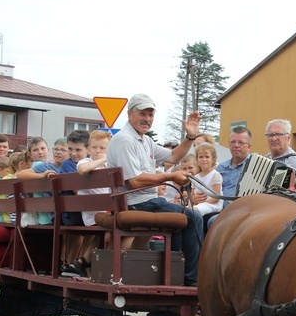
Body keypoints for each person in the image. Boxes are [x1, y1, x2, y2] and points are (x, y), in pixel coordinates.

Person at [107, 93, 203, 287]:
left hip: (145, 201)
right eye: (143, 113)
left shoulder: (144, 140)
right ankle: (190, 280)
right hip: (136, 203)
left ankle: (178, 275)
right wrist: (170, 176)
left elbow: (174, 156)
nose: (147, 119)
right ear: (130, 114)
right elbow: (134, 181)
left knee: (182, 219)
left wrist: (190, 136)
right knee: (195, 218)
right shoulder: (126, 140)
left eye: (151, 115)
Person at [60, 130, 113, 278]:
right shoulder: (86, 162)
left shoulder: (108, 164)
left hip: (102, 210)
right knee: (110, 227)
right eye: (94, 147)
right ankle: (82, 263)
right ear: (88, 149)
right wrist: (102, 160)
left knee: (106, 229)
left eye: (102, 148)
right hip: (92, 213)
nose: (98, 151)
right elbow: (82, 170)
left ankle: (82, 264)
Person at [200, 127, 252, 230]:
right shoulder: (220, 168)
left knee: (212, 221)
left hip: (240, 212)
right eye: (233, 142)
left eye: (241, 143)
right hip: (215, 207)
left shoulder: (255, 167)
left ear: (249, 146)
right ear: (229, 144)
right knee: (192, 216)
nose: (236, 145)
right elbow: (209, 191)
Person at [264, 118, 296, 193]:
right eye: (270, 135)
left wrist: (287, 195)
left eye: (278, 134)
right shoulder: (265, 159)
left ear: (288, 137)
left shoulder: (293, 160)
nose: (274, 139)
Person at [191, 143, 223, 216]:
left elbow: (216, 198)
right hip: (198, 205)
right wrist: (190, 205)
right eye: (201, 157)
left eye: (207, 157)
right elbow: (192, 195)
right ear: (197, 159)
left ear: (213, 159)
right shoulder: (195, 177)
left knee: (194, 211)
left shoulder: (215, 175)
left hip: (212, 205)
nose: (204, 159)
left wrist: (202, 204)